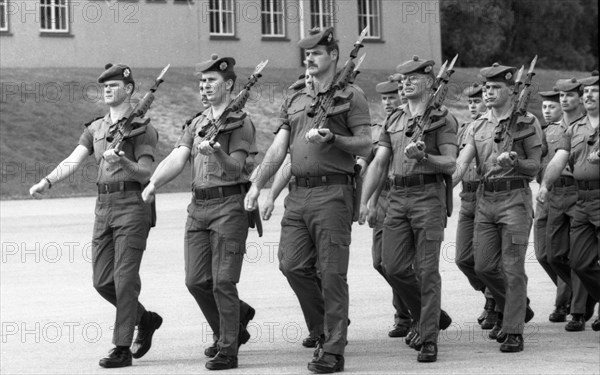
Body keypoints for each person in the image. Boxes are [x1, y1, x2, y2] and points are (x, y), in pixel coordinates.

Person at [244, 27, 372, 373]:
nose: (309, 58)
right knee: (292, 264)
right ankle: (326, 327)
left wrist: (335, 140)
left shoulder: (352, 95)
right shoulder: (295, 95)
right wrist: (258, 184)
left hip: (333, 193)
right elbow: (279, 147)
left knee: (332, 273)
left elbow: (366, 144)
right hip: (298, 194)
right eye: (306, 53)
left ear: (333, 55)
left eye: (316, 52)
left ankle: (332, 348)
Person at [29, 63, 162, 368]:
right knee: (103, 281)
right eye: (105, 85)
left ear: (129, 89)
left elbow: (146, 173)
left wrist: (123, 161)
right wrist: (47, 181)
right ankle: (146, 319)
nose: (107, 89)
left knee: (125, 279)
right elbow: (73, 160)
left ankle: (122, 347)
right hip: (103, 208)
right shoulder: (97, 128)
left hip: (132, 205)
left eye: (114, 85)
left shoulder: (143, 128)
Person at [141, 54, 256, 370]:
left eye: (211, 81)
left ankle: (228, 348)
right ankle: (234, 323)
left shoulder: (241, 123)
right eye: (201, 82)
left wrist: (217, 151)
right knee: (196, 281)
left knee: (222, 281)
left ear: (229, 84)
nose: (204, 87)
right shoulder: (197, 122)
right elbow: (177, 159)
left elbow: (235, 169)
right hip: (199, 208)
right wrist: (153, 184)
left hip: (229, 207)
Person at [360, 56, 458, 363]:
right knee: (393, 266)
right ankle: (430, 315)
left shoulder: (443, 118)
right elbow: (379, 162)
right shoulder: (395, 119)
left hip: (428, 196)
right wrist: (365, 200)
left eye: (413, 77)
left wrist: (425, 156)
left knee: (427, 271)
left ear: (429, 82)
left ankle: (428, 336)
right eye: (403, 78)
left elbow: (451, 163)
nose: (405, 82)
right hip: (398, 196)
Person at [453, 63, 540, 353]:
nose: (489, 92)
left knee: (513, 268)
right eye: (486, 88)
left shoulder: (527, 122)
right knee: (483, 266)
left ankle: (513, 330)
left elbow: (534, 167)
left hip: (515, 200)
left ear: (509, 90)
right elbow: (462, 163)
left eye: (495, 88)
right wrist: (442, 183)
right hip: (485, 202)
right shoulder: (477, 126)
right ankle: (516, 306)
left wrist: (516, 162)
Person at [538, 71, 600, 332]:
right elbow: (557, 160)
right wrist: (544, 184)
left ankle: (578, 309)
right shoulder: (575, 128)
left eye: (593, 91)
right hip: (581, 198)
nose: (588, 95)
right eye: (585, 92)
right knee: (577, 262)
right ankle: (588, 300)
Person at [357, 79, 413, 338]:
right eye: (386, 99)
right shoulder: (379, 128)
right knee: (380, 262)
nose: (389, 102)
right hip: (382, 198)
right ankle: (413, 307)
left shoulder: (410, 125)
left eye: (394, 97)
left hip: (403, 196)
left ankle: (405, 316)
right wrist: (367, 202)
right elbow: (369, 161)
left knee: (398, 264)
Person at [453, 82, 498, 329]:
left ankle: (494, 303)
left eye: (476, 100)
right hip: (466, 197)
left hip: (486, 195)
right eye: (469, 102)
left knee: (488, 258)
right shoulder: (463, 130)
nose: (472, 105)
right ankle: (497, 295)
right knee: (463, 258)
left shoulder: (492, 129)